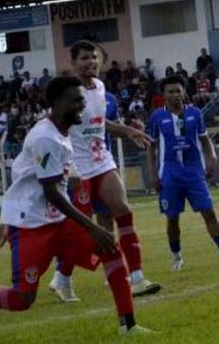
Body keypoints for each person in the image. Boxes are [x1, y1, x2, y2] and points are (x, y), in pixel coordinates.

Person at [0, 76, 152, 336]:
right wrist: (92, 227)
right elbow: (52, 193)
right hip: (32, 226)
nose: (83, 106)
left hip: (57, 221)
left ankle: (128, 325)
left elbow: (46, 178)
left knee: (109, 248)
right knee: (22, 299)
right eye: (77, 101)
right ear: (57, 104)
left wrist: (73, 177)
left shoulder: (59, 131)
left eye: (83, 100)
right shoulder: (46, 137)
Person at [47, 40, 161, 301]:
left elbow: (101, 123)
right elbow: (54, 131)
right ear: (73, 63)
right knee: (83, 231)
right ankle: (62, 277)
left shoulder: (99, 88)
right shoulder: (65, 94)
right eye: (85, 58)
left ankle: (137, 277)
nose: (91, 63)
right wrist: (67, 167)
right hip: (78, 169)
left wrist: (128, 131)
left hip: (102, 161)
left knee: (123, 211)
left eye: (94, 58)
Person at [147, 76, 219, 272]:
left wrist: (211, 158)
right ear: (164, 95)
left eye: (178, 91)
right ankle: (176, 257)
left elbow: (204, 140)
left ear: (184, 92)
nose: (175, 95)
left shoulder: (195, 113)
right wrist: (153, 174)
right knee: (172, 218)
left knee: (209, 212)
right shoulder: (156, 118)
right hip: (169, 175)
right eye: (171, 92)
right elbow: (151, 148)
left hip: (194, 173)